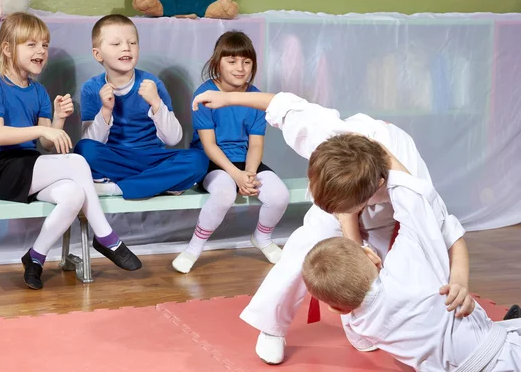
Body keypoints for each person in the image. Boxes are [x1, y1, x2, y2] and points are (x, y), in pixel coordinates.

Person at [190, 89, 457, 364]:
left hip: (387, 214)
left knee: (383, 269)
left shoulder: (409, 187)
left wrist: (454, 282)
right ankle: (272, 327)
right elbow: (282, 105)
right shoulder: (330, 135)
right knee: (307, 245)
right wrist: (227, 98)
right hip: (338, 191)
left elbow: (439, 234)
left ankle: (363, 323)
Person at [302, 136, 521, 371]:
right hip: (506, 357)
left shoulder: (360, 324)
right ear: (373, 257)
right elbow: (415, 201)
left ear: (336, 309)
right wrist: (383, 155)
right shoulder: (406, 268)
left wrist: (348, 221)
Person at [0, 12, 141, 290]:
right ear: (7, 48)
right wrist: (44, 130)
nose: (41, 50)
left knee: (74, 195)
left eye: (44, 45)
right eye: (31, 44)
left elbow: (46, 146)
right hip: (0, 167)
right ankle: (106, 237)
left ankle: (35, 257)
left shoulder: (38, 91)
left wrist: (57, 119)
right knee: (77, 162)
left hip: (29, 165)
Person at [172, 31, 289, 274]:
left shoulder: (257, 98)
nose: (240, 68)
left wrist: (249, 173)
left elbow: (256, 144)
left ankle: (263, 238)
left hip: (245, 162)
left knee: (279, 194)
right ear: (217, 63)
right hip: (211, 162)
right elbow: (209, 145)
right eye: (232, 61)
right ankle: (194, 248)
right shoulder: (204, 95)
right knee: (224, 192)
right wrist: (236, 176)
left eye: (247, 62)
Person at [74, 14, 209, 199]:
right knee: (83, 149)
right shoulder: (91, 89)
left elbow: (173, 138)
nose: (126, 48)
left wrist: (156, 103)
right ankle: (159, 183)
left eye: (132, 43)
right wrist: (105, 111)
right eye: (116, 44)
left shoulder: (152, 84)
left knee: (198, 160)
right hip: (116, 159)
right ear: (98, 54)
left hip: (152, 159)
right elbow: (91, 142)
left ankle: (116, 188)